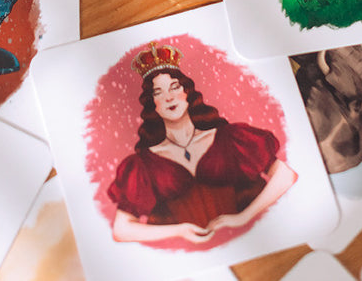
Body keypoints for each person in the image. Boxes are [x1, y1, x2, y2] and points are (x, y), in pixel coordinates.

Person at [107, 44, 297, 244]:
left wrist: (243, 217)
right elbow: (122, 229)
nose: (169, 97)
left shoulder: (229, 137)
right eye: (158, 92)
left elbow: (285, 175)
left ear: (187, 93)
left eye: (174, 87)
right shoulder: (143, 163)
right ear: (151, 103)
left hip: (256, 240)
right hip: (186, 259)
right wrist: (179, 231)